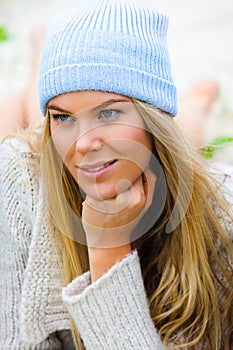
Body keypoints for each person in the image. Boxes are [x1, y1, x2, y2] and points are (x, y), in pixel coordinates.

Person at [0, 0, 232, 349]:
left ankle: (199, 97)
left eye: (108, 112)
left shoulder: (220, 222)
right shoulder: (21, 174)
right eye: (62, 117)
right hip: (40, 147)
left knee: (188, 136)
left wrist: (108, 253)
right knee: (17, 123)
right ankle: (41, 57)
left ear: (152, 119)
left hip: (175, 154)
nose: (80, 143)